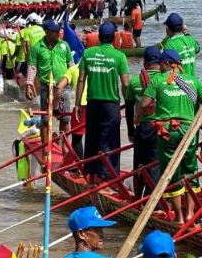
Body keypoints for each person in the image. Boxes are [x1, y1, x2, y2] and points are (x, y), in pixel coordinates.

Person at [136, 49, 202, 224]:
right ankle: (190, 214)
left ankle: (180, 218)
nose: (159, 66)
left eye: (161, 63)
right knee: (191, 170)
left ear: (167, 64)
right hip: (189, 130)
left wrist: (136, 117)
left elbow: (145, 103)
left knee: (171, 172)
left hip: (168, 131)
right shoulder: (193, 81)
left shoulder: (158, 80)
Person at [74, 21, 129, 183]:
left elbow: (81, 79)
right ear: (113, 38)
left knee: (92, 139)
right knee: (109, 141)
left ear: (99, 37)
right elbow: (125, 84)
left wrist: (78, 104)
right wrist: (128, 104)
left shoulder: (88, 53)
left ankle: (91, 177)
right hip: (110, 104)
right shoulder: (119, 56)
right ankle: (106, 179)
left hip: (92, 103)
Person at [25, 19, 74, 148]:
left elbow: (71, 65)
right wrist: (29, 84)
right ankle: (45, 147)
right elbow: (32, 67)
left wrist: (74, 81)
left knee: (65, 117)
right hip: (46, 86)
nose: (58, 33)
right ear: (46, 32)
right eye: (54, 31)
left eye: (59, 30)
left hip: (64, 86)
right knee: (46, 119)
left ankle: (65, 146)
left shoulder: (64, 45)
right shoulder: (37, 47)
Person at [125, 46, 162, 199]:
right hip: (159, 129)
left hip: (141, 129)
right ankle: (152, 200)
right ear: (160, 62)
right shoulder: (165, 80)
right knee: (155, 166)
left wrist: (130, 131)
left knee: (139, 166)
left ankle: (137, 198)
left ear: (145, 63)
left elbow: (128, 109)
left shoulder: (134, 81)